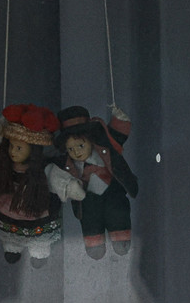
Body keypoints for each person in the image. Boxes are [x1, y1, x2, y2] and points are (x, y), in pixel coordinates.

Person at [48, 104, 139, 259]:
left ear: (90, 141)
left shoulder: (105, 149)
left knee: (117, 213)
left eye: (81, 145)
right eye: (71, 149)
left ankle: (121, 237)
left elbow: (117, 135)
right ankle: (94, 243)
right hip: (87, 200)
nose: (76, 152)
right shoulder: (68, 165)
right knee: (90, 220)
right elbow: (55, 177)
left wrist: (119, 119)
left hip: (113, 192)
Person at [0, 104, 61, 265]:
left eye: (19, 148)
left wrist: (69, 185)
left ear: (33, 150)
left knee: (38, 233)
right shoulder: (6, 164)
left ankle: (39, 248)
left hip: (34, 205)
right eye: (12, 146)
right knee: (10, 229)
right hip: (9, 202)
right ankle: (12, 246)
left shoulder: (43, 170)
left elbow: (57, 178)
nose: (13, 151)